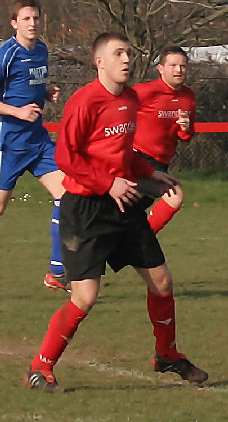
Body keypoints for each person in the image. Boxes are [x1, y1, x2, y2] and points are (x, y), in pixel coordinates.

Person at [25, 32, 207, 393]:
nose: (126, 59)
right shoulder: (84, 101)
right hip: (88, 209)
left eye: (128, 53)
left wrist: (147, 172)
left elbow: (121, 152)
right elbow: (66, 158)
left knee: (162, 282)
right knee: (85, 298)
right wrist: (107, 184)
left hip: (124, 205)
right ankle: (39, 367)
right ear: (100, 62)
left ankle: (166, 354)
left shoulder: (129, 99)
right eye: (118, 54)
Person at [0, 0, 69, 292]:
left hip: (37, 141)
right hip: (9, 142)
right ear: (14, 23)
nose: (33, 24)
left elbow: (27, 87)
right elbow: (11, 100)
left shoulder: (41, 50)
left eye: (36, 18)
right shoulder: (6, 53)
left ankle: (57, 271)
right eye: (26, 19)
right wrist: (17, 112)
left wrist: (46, 92)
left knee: (68, 195)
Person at [133, 45, 196, 233]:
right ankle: (142, 241)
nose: (178, 70)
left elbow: (186, 136)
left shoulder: (188, 97)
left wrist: (185, 128)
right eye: (173, 65)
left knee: (129, 211)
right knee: (174, 196)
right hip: (138, 158)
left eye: (183, 66)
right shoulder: (145, 91)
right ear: (160, 69)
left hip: (161, 163)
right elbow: (117, 109)